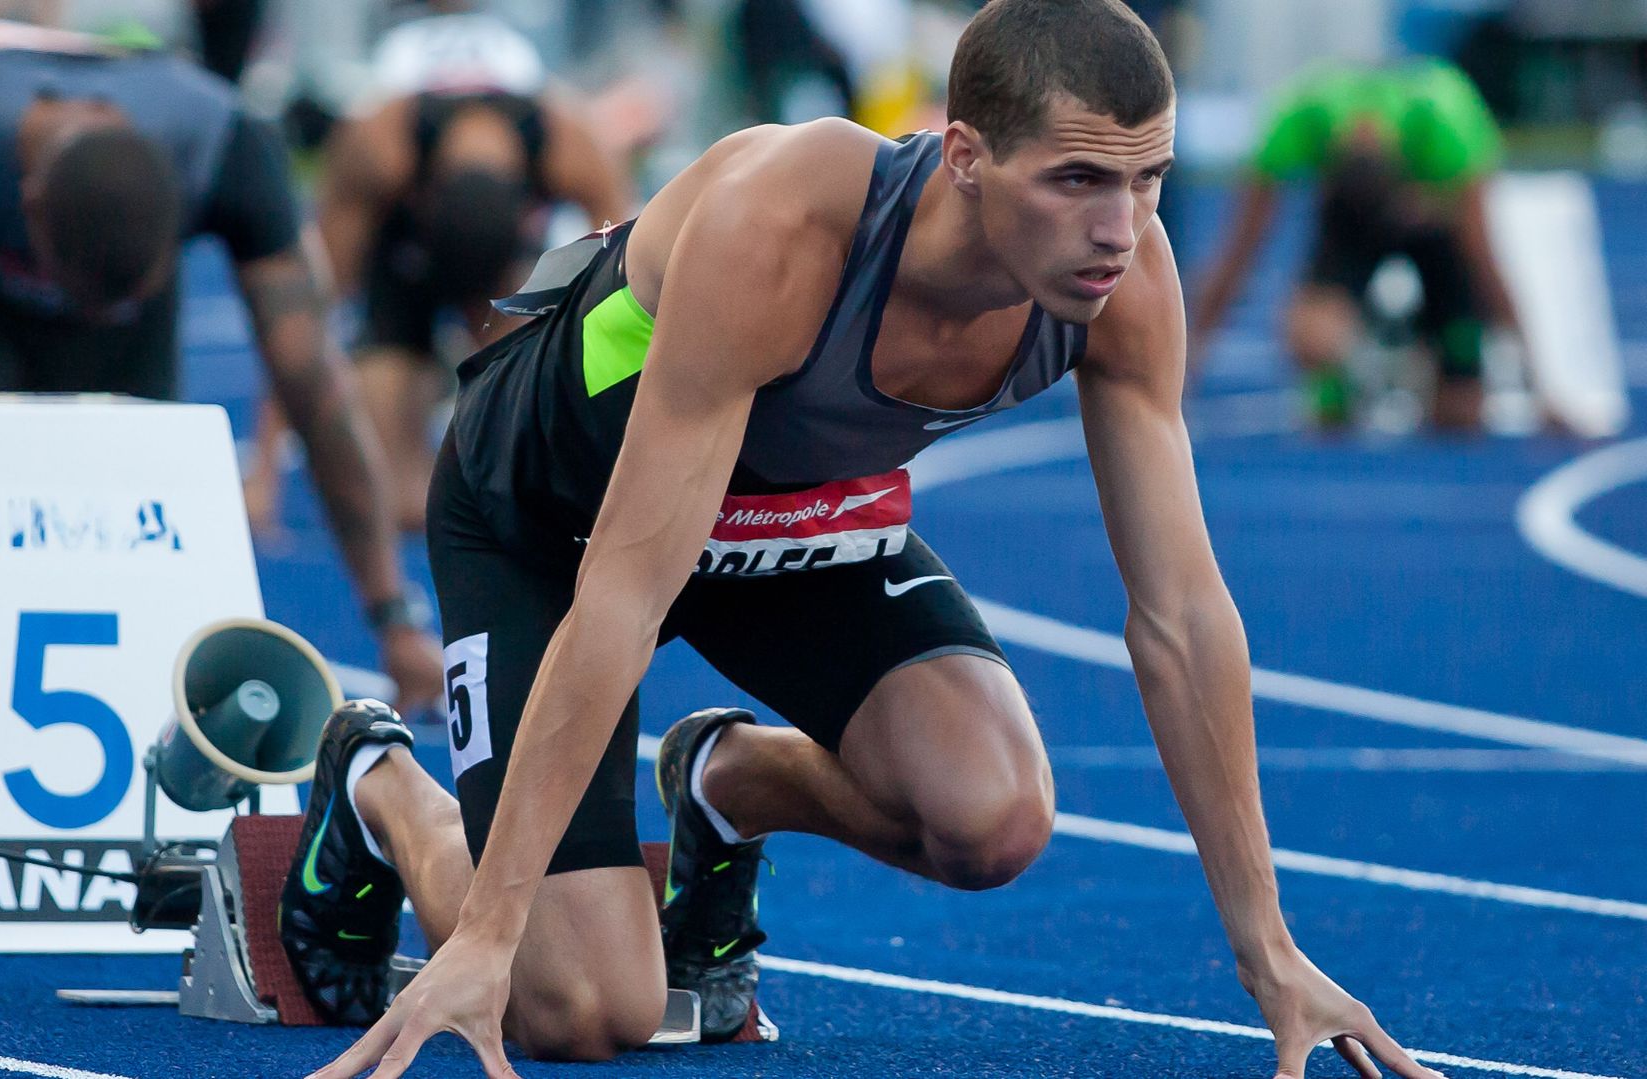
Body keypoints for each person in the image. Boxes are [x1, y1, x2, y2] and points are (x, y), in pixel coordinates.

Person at [282, 3, 1447, 1077]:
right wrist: (488, 928)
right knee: (583, 1007)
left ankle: (726, 781)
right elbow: (625, 593)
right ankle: (387, 791)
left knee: (995, 819)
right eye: (1080, 178)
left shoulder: (1126, 282)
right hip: (557, 522)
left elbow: (1183, 619)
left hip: (787, 518)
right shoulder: (785, 227)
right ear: (964, 157)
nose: (1120, 228)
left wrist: (1270, 954)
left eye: (1149, 181)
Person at [0, 35, 442, 712]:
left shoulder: (230, 151)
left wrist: (395, 616)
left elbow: (318, 393)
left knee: (128, 543)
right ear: (27, 209)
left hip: (133, 348)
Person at [243, 4, 634, 532]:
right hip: (399, 260)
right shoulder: (377, 148)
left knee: (539, 467)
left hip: (508, 271)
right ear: (422, 200)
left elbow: (633, 299)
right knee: (395, 502)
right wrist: (263, 470)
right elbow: (304, 308)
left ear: (528, 215)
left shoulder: (570, 143)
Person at [1188, 59, 1523, 430]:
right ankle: (1344, 375)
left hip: (1434, 226)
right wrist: (1188, 360)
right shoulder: (1299, 117)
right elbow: (1239, 253)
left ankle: (1427, 355)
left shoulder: (1447, 120)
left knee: (1460, 417)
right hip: (1348, 229)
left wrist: (1540, 381)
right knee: (1313, 343)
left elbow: (1485, 263)